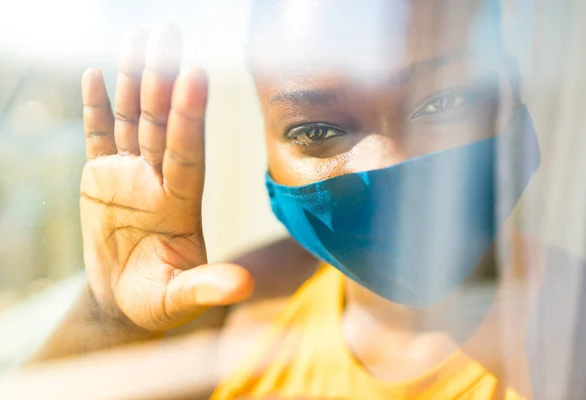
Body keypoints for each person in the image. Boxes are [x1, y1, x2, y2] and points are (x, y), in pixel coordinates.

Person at [30, 0, 543, 398]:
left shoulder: (569, 331)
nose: (382, 165)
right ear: (267, 147)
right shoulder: (239, 318)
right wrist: (113, 319)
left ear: (510, 90)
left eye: (442, 103)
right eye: (317, 130)